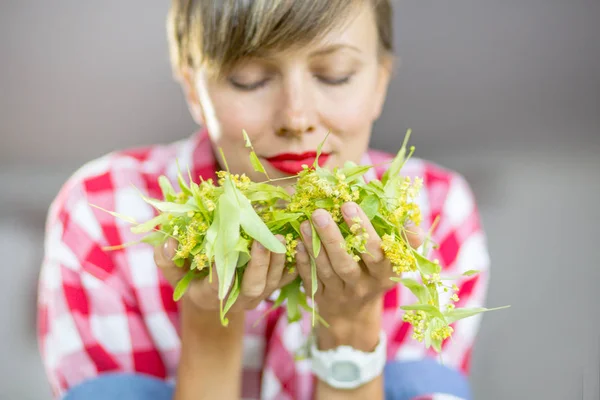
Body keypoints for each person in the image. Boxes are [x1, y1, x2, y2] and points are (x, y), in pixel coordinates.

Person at [37, 1, 490, 399]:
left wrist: (351, 331)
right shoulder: (106, 211)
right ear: (195, 88)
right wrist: (209, 323)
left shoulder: (434, 212)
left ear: (379, 83)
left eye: (335, 75)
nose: (296, 118)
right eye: (249, 79)